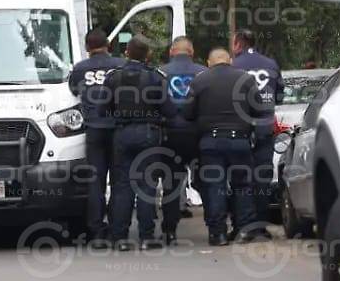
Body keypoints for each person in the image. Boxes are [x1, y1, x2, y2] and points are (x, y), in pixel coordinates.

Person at [101, 35, 176, 251]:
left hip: (122, 134)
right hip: (148, 134)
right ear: (148, 55)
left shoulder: (113, 77)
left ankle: (120, 238)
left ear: (126, 53)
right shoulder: (156, 77)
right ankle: (146, 237)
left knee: (122, 186)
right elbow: (169, 111)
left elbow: (102, 109)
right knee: (146, 186)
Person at [182, 47, 263, 245]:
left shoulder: (200, 80)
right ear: (230, 61)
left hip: (211, 142)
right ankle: (243, 230)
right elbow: (259, 110)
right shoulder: (246, 79)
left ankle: (217, 233)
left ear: (209, 63)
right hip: (240, 141)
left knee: (214, 187)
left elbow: (187, 113)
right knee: (242, 186)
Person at [68, 28, 126, 248]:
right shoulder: (121, 65)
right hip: (118, 128)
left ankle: (96, 232)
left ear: (87, 47)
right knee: (120, 182)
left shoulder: (80, 68)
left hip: (93, 129)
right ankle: (118, 230)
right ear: (108, 45)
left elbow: (74, 90)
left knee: (95, 181)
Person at [230, 29, 283, 238]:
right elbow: (279, 95)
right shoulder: (271, 64)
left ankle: (242, 226)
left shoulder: (233, 66)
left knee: (240, 179)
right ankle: (260, 227)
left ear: (237, 44)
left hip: (240, 129)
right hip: (264, 128)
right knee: (262, 178)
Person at [158, 36, 206, 244]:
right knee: (207, 180)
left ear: (171, 52)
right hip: (197, 134)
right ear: (192, 52)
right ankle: (217, 228)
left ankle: (169, 231)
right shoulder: (203, 73)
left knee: (171, 184)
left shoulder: (160, 73)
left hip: (169, 135)